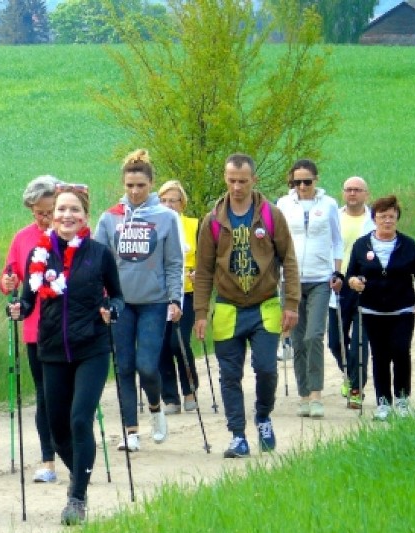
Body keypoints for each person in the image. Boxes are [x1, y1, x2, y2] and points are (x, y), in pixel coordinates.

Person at [9, 183, 123, 525]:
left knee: (78, 419)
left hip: (91, 347)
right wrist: (16, 307)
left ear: (85, 216)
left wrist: (110, 310)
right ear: (52, 215)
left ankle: (76, 497)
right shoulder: (38, 255)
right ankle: (81, 477)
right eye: (61, 210)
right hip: (52, 350)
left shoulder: (99, 253)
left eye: (74, 210)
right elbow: (28, 302)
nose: (66, 215)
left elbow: (116, 297)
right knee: (57, 429)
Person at [194, 153, 299, 458]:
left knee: (266, 368)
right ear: (225, 179)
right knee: (229, 375)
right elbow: (203, 270)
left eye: (242, 180)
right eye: (231, 180)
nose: (237, 186)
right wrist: (201, 312)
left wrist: (291, 303)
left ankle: (264, 417)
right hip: (227, 308)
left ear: (254, 180)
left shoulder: (271, 215)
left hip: (265, 306)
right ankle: (238, 435)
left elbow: (289, 260)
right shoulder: (212, 221)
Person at [94, 149, 183, 452]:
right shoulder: (110, 218)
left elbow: (173, 262)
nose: (135, 191)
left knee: (147, 365)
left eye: (141, 186)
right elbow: (97, 261)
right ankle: (130, 431)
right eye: (130, 186)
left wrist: (175, 299)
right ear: (124, 185)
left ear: (151, 184)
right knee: (124, 366)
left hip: (154, 302)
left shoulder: (166, 218)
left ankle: (156, 408)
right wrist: (101, 299)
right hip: (120, 302)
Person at [346, 195, 415, 420]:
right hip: (373, 310)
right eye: (382, 216)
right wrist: (354, 283)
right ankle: (383, 402)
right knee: (380, 356)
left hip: (402, 309)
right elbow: (351, 275)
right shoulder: (362, 244)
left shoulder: (407, 244)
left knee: (401, 351)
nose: (387, 221)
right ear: (374, 219)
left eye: (391, 217)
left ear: (397, 219)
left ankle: (402, 399)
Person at [0, 175, 60, 483]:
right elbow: (9, 274)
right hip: (35, 328)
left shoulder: (75, 234)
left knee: (66, 394)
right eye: (39, 212)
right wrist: (8, 281)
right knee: (44, 393)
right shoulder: (22, 238)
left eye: (50, 210)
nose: (46, 217)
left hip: (69, 328)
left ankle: (72, 449)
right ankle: (48, 460)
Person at [276, 160, 343, 419]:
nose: (302, 186)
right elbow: (277, 241)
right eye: (297, 182)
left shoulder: (328, 205)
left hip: (320, 278)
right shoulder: (283, 204)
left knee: (313, 336)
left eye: (307, 181)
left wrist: (336, 271)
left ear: (316, 180)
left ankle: (316, 394)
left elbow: (337, 240)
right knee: (296, 339)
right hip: (290, 280)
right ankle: (303, 395)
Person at [327, 177, 375, 409]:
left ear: (366, 194)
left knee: (359, 341)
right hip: (338, 285)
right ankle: (349, 374)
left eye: (357, 190)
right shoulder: (333, 216)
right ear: (343, 193)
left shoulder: (374, 220)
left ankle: (356, 388)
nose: (352, 193)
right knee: (335, 342)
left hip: (365, 286)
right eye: (348, 190)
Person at [156, 180, 200, 415]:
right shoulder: (154, 226)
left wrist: (198, 271)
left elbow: (204, 256)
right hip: (158, 294)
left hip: (186, 291)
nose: (168, 205)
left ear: (182, 203)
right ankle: (170, 396)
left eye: (173, 200)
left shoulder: (193, 225)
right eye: (163, 200)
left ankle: (190, 389)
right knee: (161, 344)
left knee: (178, 341)